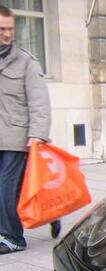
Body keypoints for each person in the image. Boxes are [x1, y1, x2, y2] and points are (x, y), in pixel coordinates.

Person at [0, 6, 56, 255]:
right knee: (23, 188)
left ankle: (13, 237)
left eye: (10, 29)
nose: (7, 34)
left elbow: (40, 101)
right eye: (2, 29)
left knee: (5, 187)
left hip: (17, 137)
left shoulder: (26, 62)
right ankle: (52, 211)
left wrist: (38, 133)